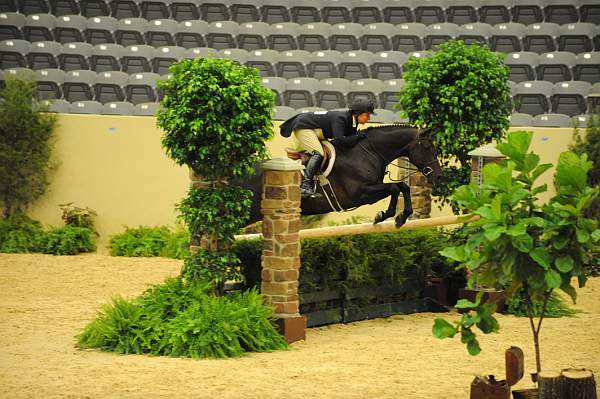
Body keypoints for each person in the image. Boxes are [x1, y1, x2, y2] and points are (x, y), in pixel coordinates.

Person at [279, 99, 376, 198]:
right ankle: (305, 187)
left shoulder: (352, 123)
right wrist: (358, 136)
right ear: (357, 113)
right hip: (304, 127)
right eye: (367, 115)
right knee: (318, 153)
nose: (368, 119)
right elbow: (340, 141)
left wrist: (358, 136)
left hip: (316, 131)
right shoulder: (341, 118)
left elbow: (348, 142)